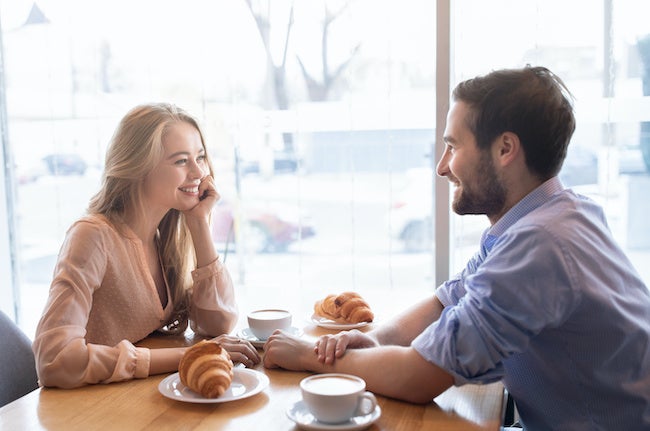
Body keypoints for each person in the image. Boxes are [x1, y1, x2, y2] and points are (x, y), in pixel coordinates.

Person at [263, 66, 650, 429]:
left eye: (453, 146)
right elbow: (449, 301)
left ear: (505, 149)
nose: (442, 166)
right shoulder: (550, 216)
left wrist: (308, 357)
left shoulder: (540, 243)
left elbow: (420, 376)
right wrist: (377, 339)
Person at [33, 103, 260, 389]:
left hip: (129, 396)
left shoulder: (163, 236)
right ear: (138, 168)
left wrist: (200, 225)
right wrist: (185, 356)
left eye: (200, 157)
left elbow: (217, 325)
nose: (199, 173)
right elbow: (54, 360)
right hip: (87, 409)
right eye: (180, 161)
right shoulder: (93, 236)